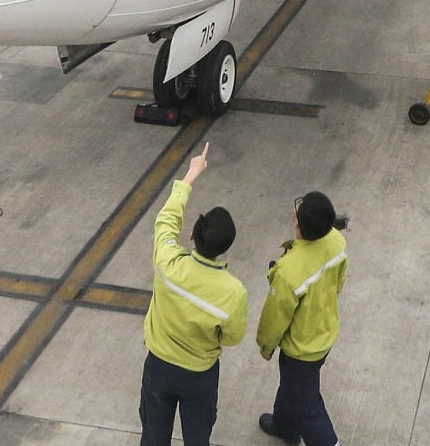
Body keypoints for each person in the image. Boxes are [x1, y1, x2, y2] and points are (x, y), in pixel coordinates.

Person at [140, 143, 248, 446]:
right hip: (199, 374)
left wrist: (191, 174)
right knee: (198, 436)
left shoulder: (168, 263)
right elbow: (232, 337)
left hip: (159, 365)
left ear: (191, 236)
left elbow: (166, 220)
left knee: (153, 434)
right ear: (224, 249)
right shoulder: (233, 292)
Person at [256, 191, 350, 446]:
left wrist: (266, 345)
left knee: (307, 406)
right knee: (292, 385)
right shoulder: (337, 242)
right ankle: (285, 425)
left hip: (302, 348)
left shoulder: (289, 270)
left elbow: (276, 316)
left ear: (297, 222)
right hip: (324, 330)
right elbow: (338, 283)